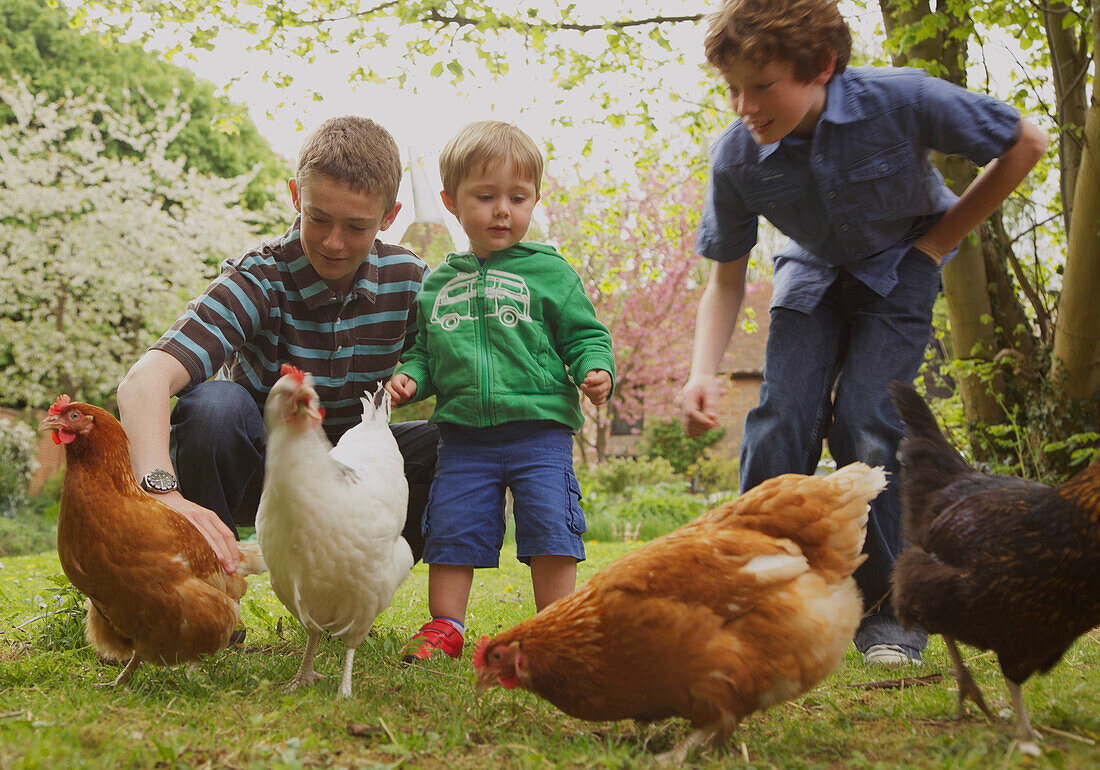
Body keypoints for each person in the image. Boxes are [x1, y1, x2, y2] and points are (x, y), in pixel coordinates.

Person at [676, 0, 1047, 667]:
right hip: (809, 275)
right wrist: (703, 370)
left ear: (821, 67)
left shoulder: (900, 100)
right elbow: (726, 279)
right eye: (732, 88)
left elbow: (1026, 142)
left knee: (870, 425)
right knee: (780, 418)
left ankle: (891, 618)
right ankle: (750, 601)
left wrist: (938, 244)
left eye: (763, 87)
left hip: (902, 265)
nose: (744, 106)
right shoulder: (735, 157)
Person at [117, 116, 439, 575]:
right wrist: (163, 493)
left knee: (451, 442)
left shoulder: (408, 281)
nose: (333, 242)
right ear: (295, 196)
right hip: (266, 474)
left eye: (356, 227)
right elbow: (142, 383)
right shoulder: (258, 278)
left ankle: (354, 584)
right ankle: (211, 580)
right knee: (213, 406)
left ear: (389, 217)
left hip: (357, 483)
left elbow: (460, 369)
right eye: (319, 218)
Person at [386, 120, 615, 663]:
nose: (502, 211)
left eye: (518, 197)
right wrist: (411, 376)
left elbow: (585, 334)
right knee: (452, 525)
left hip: (540, 431)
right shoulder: (438, 283)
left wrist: (595, 368)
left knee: (550, 526)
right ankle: (445, 626)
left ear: (536, 198)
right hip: (464, 437)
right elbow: (427, 351)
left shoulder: (550, 273)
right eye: (485, 197)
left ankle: (555, 629)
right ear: (451, 201)